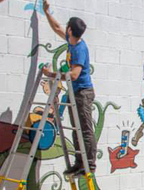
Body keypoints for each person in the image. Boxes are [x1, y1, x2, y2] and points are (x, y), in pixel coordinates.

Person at [42, 1, 96, 175]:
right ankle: (79, 162)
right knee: (76, 128)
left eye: (67, 27)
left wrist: (52, 75)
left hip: (83, 92)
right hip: (75, 92)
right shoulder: (72, 41)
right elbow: (57, 27)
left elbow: (74, 74)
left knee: (85, 129)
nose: (65, 29)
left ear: (71, 30)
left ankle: (89, 165)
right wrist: (47, 12)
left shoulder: (80, 48)